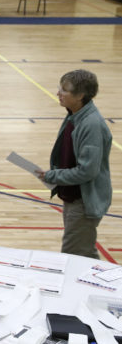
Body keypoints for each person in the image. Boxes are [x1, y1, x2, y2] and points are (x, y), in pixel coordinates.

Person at [35, 70, 112, 259]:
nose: (58, 93)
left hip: (84, 201)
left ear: (80, 96)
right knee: (83, 252)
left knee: (73, 254)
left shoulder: (91, 125)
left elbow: (87, 171)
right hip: (73, 196)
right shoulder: (74, 115)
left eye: (65, 90)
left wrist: (54, 176)